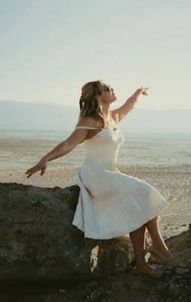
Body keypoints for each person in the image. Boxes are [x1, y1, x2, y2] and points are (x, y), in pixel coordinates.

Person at [25, 80, 174, 278]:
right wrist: (45, 159)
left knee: (137, 207)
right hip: (96, 176)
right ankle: (158, 246)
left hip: (111, 173)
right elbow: (69, 143)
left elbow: (130, 104)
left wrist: (138, 92)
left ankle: (142, 263)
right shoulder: (90, 121)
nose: (112, 89)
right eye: (107, 88)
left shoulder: (113, 117)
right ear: (97, 95)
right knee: (144, 192)